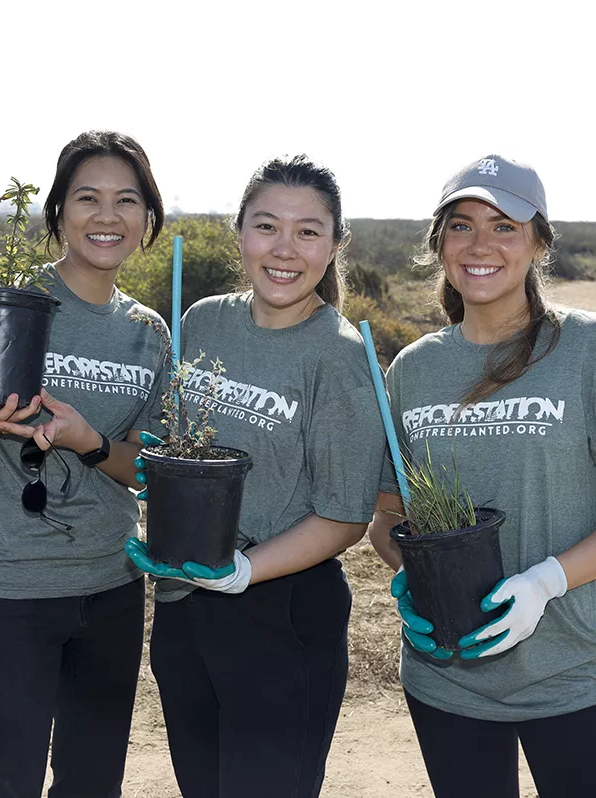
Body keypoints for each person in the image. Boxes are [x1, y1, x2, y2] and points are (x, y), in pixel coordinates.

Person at [126, 154, 387, 798]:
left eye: (308, 231)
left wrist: (242, 571)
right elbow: (178, 448)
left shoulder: (342, 356)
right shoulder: (203, 322)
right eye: (267, 226)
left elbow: (345, 515)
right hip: (183, 606)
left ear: (334, 245)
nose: (285, 249)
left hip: (282, 614)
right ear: (239, 232)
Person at [369, 155, 596, 797]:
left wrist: (544, 582)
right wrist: (407, 570)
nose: (480, 245)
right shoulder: (413, 369)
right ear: (440, 243)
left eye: (504, 226)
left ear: (539, 242)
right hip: (448, 678)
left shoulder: (584, 349)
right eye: (461, 225)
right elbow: (388, 516)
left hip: (575, 674)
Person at [0, 130, 170, 797]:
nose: (107, 216)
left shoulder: (148, 333)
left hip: (108, 584)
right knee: (5, 778)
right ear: (57, 211)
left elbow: (149, 471)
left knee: (91, 779)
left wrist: (90, 443)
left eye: (126, 201)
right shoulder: (5, 310)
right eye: (88, 198)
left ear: (146, 220)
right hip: (6, 585)